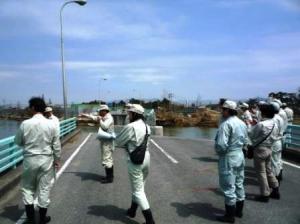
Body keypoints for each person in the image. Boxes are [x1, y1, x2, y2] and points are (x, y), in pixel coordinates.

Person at [15, 97, 61, 224]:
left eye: (30, 107)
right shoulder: (52, 124)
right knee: (44, 188)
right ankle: (42, 219)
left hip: (30, 160)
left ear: (33, 108)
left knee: (27, 188)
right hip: (46, 160)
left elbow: (18, 142)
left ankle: (30, 219)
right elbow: (56, 145)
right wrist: (57, 159)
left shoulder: (25, 124)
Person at [115, 104, 155, 224]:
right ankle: (132, 210)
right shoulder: (147, 126)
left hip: (135, 160)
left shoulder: (131, 126)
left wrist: (127, 144)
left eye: (129, 113)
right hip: (146, 158)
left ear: (134, 114)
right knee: (140, 187)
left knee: (138, 191)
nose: (128, 115)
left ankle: (150, 221)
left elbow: (118, 141)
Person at [215, 100, 248, 223]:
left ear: (227, 110)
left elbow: (221, 145)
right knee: (239, 182)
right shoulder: (242, 123)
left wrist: (219, 153)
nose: (221, 111)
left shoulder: (226, 124)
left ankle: (230, 216)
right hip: (240, 154)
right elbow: (246, 139)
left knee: (228, 186)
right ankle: (239, 211)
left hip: (229, 156)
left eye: (223, 109)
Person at [248, 104, 280, 202]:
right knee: (268, 170)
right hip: (270, 148)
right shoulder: (275, 124)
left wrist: (250, 125)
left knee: (261, 172)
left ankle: (265, 194)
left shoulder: (261, 124)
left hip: (260, 150)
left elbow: (251, 135)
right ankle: (275, 189)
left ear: (264, 113)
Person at [81, 105, 115, 183]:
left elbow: (105, 126)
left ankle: (109, 178)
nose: (99, 112)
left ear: (104, 111)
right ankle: (109, 176)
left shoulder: (109, 118)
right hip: (105, 140)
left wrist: (100, 120)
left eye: (100, 111)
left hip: (107, 141)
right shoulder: (103, 117)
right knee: (108, 158)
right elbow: (93, 117)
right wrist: (85, 115)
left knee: (107, 159)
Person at [270, 102, 284, 183]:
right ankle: (278, 175)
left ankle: (275, 180)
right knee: (278, 160)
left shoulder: (273, 118)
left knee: (273, 162)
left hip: (274, 141)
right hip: (279, 141)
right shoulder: (280, 118)